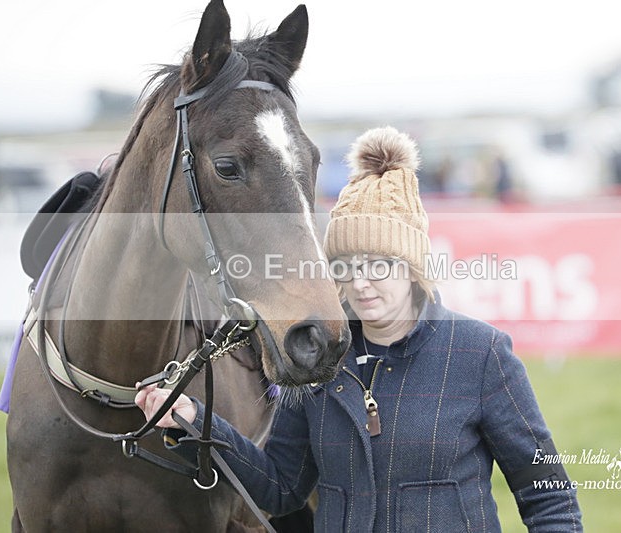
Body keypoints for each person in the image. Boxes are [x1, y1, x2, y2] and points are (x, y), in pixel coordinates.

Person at [136, 127, 583, 531]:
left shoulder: (481, 354)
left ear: (411, 266)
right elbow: (280, 488)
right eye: (347, 266)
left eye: (379, 265)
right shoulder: (319, 356)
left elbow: (549, 498)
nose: (361, 283)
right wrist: (198, 424)